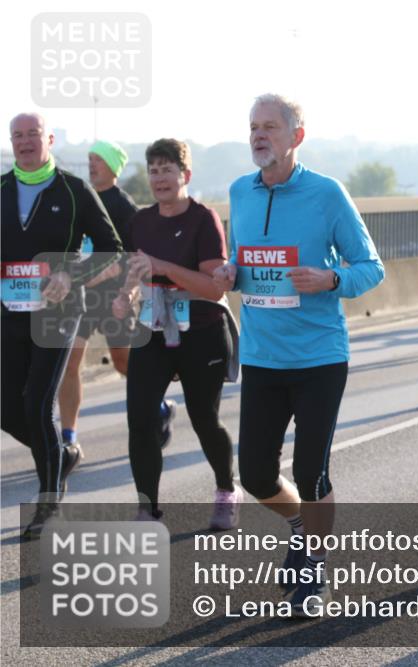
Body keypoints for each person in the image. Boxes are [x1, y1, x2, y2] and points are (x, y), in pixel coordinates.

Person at [213, 94, 384, 616]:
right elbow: (241, 263)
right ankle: (297, 524)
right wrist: (228, 272)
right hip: (263, 356)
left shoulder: (327, 194)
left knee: (311, 471)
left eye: (269, 127)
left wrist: (331, 278)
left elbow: (370, 267)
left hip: (318, 357)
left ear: (296, 137)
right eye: (252, 128)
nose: (258, 136)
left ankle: (314, 566)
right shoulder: (239, 192)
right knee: (257, 475)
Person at [2, 112, 123, 539]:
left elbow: (112, 249)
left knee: (37, 403)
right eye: (17, 136)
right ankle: (60, 453)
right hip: (8, 315)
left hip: (59, 311)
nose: (25, 142)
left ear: (48, 139)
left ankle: (48, 502)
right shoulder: (0, 189)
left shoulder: (74, 191)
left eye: (32, 134)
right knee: (7, 408)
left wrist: (71, 274)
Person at [111, 138, 240, 528]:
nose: (159, 178)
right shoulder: (141, 222)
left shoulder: (204, 220)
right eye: (153, 170)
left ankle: (226, 489)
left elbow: (213, 287)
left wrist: (162, 266)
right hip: (153, 330)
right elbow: (136, 272)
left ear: (185, 175)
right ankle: (147, 509)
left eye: (168, 169)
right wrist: (124, 296)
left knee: (204, 419)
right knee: (140, 419)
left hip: (201, 330)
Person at [58, 141, 178, 453]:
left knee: (124, 363)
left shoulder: (124, 206)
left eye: (97, 159)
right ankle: (68, 437)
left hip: (114, 297)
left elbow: (130, 259)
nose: (91, 164)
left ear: (113, 166)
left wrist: (94, 279)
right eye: (89, 159)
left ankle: (160, 406)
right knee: (70, 363)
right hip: (80, 298)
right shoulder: (80, 198)